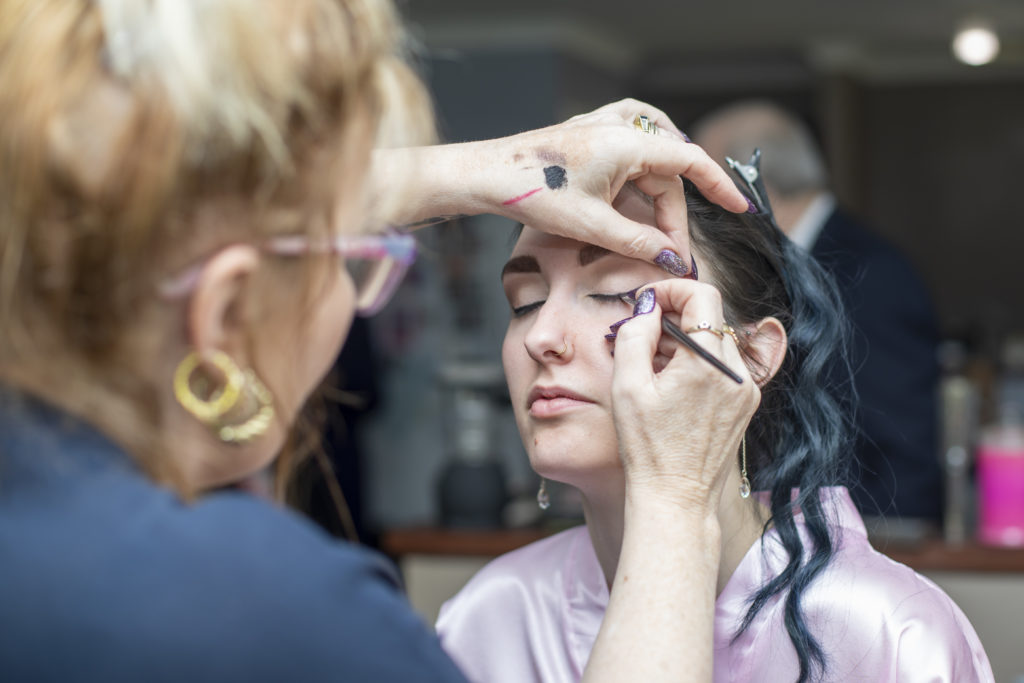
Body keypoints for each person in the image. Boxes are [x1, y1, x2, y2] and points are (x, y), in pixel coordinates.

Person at [0, 1, 755, 681]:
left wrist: (502, 169)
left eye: (614, 295)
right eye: (354, 258)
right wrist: (675, 501)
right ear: (223, 310)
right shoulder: (266, 614)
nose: (544, 336)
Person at [435, 179, 993, 682]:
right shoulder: (489, 614)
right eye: (524, 303)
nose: (541, 337)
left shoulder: (887, 633)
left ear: (749, 354)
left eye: (613, 292)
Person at [692, 100, 943, 522]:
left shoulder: (867, 271)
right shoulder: (786, 262)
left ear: (747, 182)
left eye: (702, 186)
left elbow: (901, 441)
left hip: (862, 540)